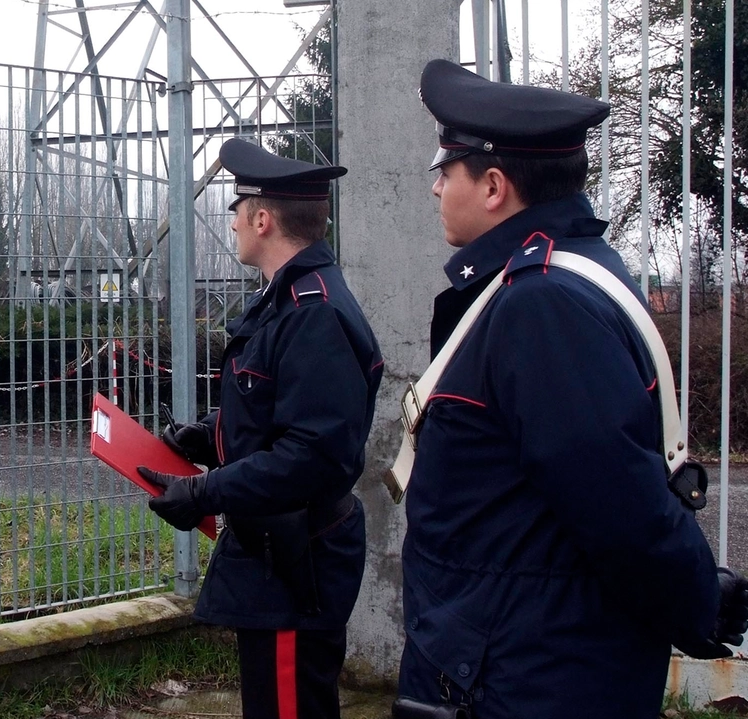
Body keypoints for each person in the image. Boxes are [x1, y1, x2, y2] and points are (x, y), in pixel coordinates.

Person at [396, 59, 748, 718]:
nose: (436, 187)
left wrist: (698, 599)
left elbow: (621, 506)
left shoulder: (541, 306)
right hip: (521, 662)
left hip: (526, 680)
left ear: (494, 185)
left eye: (447, 171)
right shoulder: (549, 280)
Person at [137, 138, 383, 719]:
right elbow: (279, 408)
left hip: (296, 565)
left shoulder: (312, 311)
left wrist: (206, 491)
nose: (232, 220)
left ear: (264, 219)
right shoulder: (287, 299)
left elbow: (312, 454)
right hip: (279, 553)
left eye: (238, 207)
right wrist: (209, 436)